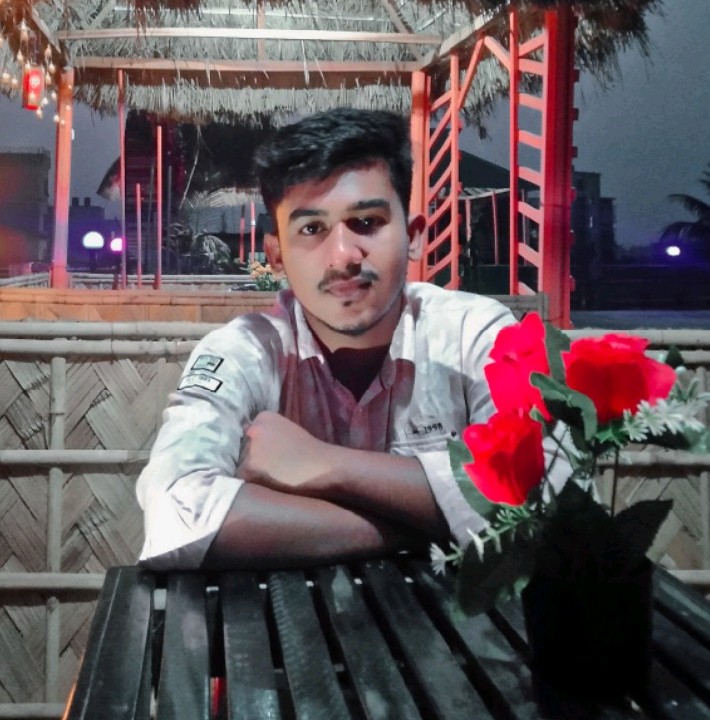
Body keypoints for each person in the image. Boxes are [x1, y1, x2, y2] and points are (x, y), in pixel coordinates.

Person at [136, 107, 547, 571]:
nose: (343, 255)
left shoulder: (475, 334)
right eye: (312, 229)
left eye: (367, 222)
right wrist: (423, 528)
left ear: (414, 236)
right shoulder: (244, 352)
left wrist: (321, 463)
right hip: (279, 617)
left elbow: (548, 491)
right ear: (276, 254)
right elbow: (175, 511)